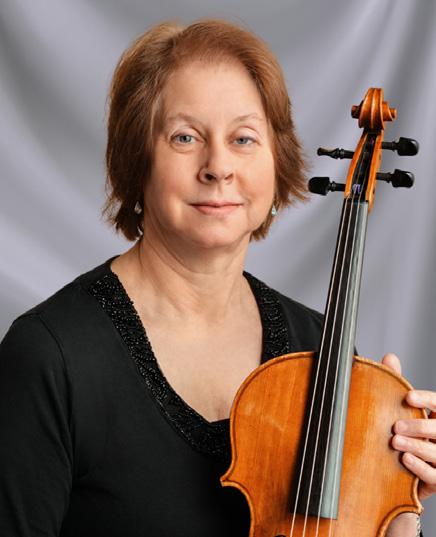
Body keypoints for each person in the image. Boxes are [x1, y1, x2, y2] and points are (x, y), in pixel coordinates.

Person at [0, 19, 434, 537]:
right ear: (138, 159)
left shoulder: (320, 350)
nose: (218, 167)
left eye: (243, 138)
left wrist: (396, 506)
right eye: (185, 137)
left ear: (276, 165)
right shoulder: (51, 357)